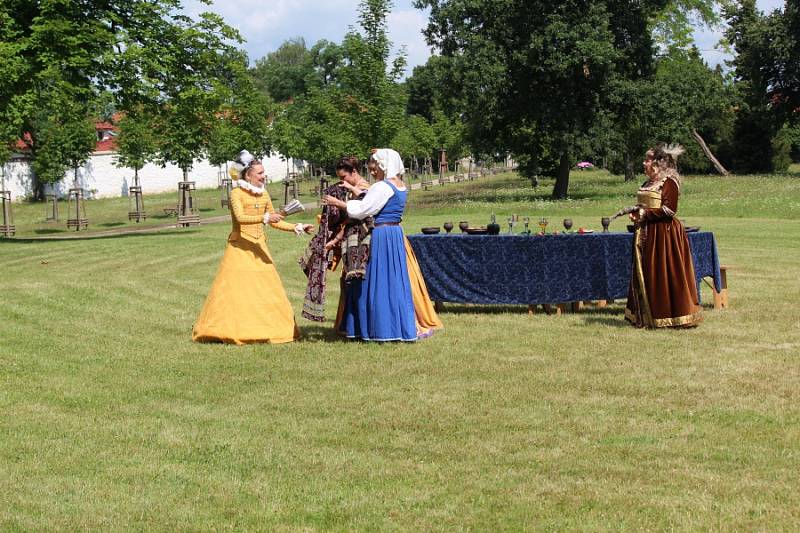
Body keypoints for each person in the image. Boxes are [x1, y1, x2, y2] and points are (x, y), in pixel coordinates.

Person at [193, 150, 313, 344]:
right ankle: (232, 329)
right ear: (248, 175)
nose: (263, 176)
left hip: (259, 247)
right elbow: (240, 219)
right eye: (259, 173)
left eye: (263, 172)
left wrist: (296, 227)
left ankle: (272, 330)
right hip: (240, 247)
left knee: (267, 289)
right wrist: (265, 217)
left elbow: (274, 220)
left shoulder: (263, 193)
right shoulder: (236, 193)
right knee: (238, 290)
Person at [323, 149, 418, 341]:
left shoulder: (382, 187)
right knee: (393, 280)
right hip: (394, 233)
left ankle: (378, 329)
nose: (372, 169)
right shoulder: (400, 186)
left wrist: (340, 204)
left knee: (377, 280)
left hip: (381, 234)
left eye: (375, 165)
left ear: (384, 165)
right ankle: (396, 327)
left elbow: (363, 210)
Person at [625, 143, 703, 328]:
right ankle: (645, 315)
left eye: (647, 160)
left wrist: (644, 214)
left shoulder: (668, 182)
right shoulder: (647, 183)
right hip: (645, 232)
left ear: (658, 163)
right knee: (646, 272)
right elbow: (646, 205)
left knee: (663, 273)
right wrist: (636, 213)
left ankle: (667, 315)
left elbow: (669, 210)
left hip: (665, 235)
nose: (644, 163)